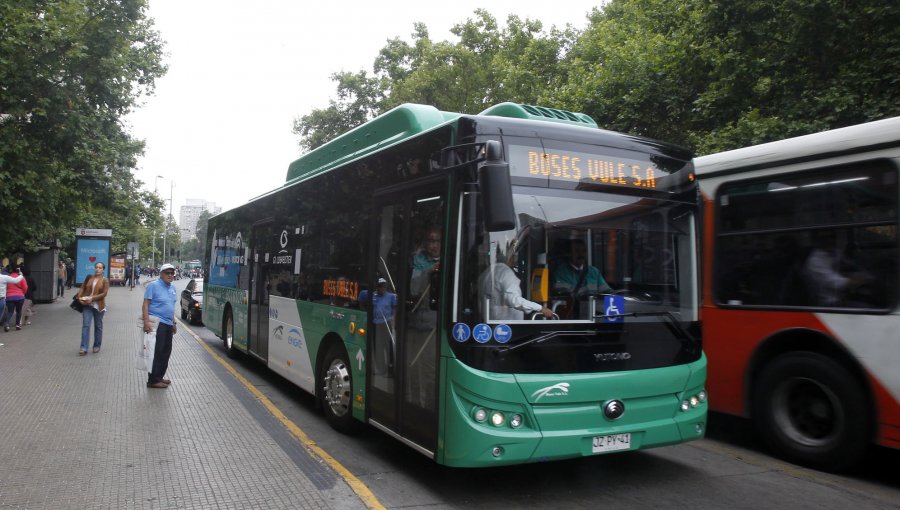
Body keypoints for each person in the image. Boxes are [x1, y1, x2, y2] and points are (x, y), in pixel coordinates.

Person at [407, 228, 441, 409]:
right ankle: (413, 405)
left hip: (437, 326)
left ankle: (429, 407)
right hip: (418, 324)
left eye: (437, 241)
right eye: (430, 241)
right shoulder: (418, 260)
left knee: (430, 371)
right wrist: (429, 272)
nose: (434, 245)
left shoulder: (452, 259)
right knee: (412, 368)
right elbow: (414, 289)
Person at [479, 247, 553, 320]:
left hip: (490, 322)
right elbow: (514, 301)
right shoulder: (506, 273)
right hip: (508, 325)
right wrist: (541, 308)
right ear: (510, 257)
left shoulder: (485, 273)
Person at [142, 263, 178, 388]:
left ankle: (159, 376)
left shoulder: (172, 288)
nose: (169, 275)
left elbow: (171, 307)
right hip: (157, 323)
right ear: (161, 274)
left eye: (171, 273)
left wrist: (173, 322)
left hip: (168, 323)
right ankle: (152, 380)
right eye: (167, 273)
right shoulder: (153, 286)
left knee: (166, 352)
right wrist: (146, 322)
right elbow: (146, 304)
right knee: (157, 352)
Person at [358, 277, 398, 375]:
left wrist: (394, 320)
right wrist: (364, 311)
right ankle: (381, 369)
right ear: (377, 287)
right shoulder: (371, 295)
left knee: (388, 346)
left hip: (386, 323)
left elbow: (395, 308)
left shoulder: (391, 296)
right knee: (378, 347)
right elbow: (361, 299)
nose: (382, 288)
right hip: (375, 324)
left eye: (384, 286)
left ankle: (391, 368)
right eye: (380, 286)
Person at [76, 261, 109, 355]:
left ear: (103, 270)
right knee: (86, 325)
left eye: (100, 268)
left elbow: (104, 294)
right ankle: (83, 347)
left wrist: (92, 298)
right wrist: (79, 297)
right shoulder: (89, 277)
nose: (98, 269)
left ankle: (96, 345)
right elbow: (82, 287)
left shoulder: (105, 280)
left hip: (99, 306)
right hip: (87, 305)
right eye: (96, 267)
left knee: (98, 326)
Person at [0, 265, 25, 329]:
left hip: (9, 297)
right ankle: (17, 325)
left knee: (10, 311)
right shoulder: (5, 277)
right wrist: (21, 275)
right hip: (18, 297)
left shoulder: (7, 277)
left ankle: (7, 323)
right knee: (18, 311)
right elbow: (22, 285)